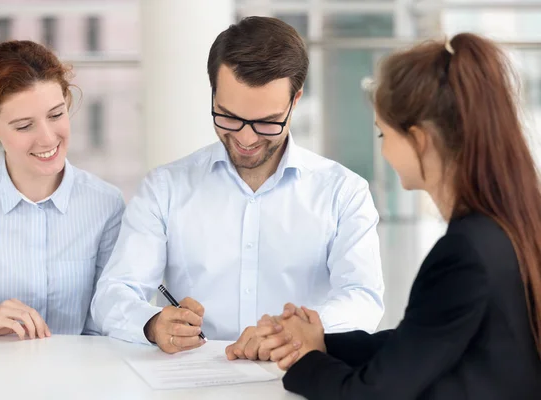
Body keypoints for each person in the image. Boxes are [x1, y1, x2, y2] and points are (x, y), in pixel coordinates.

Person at [258, 33, 541, 399]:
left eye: (383, 134)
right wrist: (321, 341)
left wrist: (304, 358)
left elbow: (372, 394)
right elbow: (418, 342)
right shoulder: (506, 229)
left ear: (419, 139)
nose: (385, 150)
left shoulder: (465, 253)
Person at [91, 16, 384, 357]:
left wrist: (295, 331)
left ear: (296, 100)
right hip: (191, 383)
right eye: (228, 116)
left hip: (297, 378)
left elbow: (363, 298)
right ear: (213, 93)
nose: (246, 138)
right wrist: (153, 324)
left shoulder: (343, 193)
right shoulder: (165, 188)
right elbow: (114, 294)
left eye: (266, 122)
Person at [0, 40, 125, 339]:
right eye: (24, 126)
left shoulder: (104, 203)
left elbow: (109, 314)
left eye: (56, 115)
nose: (47, 138)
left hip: (79, 378)